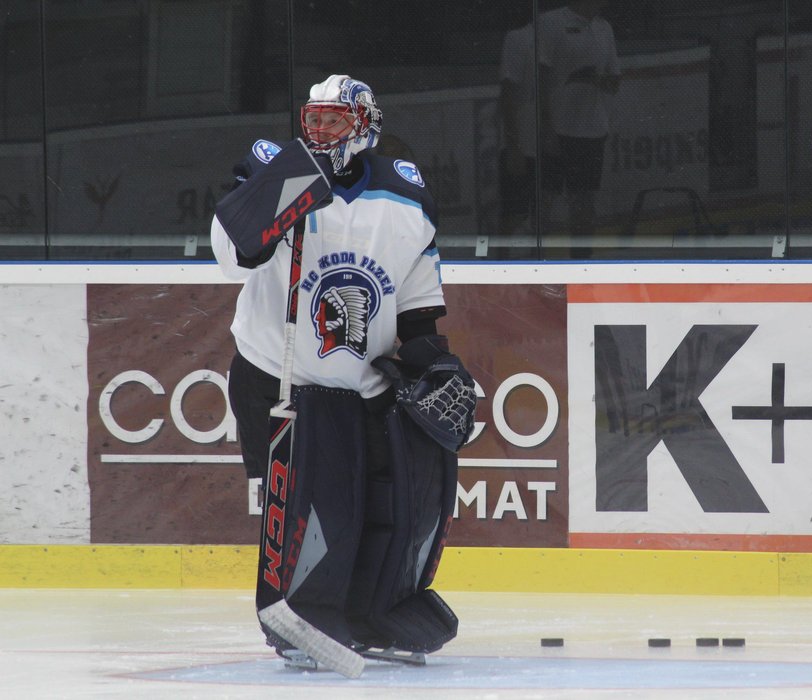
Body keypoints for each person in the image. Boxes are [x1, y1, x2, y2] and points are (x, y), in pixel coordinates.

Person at [211, 74, 473, 671]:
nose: (321, 130)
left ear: (366, 124)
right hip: (278, 380)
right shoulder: (276, 169)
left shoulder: (404, 195)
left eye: (335, 120)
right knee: (315, 504)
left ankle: (371, 614)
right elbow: (235, 255)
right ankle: (301, 619)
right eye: (314, 118)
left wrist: (433, 364)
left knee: (386, 501)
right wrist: (295, 182)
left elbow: (417, 304)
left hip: (364, 385)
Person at [537, 0, 621, 258]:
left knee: (585, 202)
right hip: (558, 128)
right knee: (546, 200)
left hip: (592, 131)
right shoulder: (552, 23)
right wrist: (546, 127)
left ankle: (582, 264)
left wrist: (594, 78)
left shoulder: (604, 28)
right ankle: (534, 263)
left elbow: (614, 81)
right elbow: (540, 77)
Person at [498, 17, 538, 243]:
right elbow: (508, 93)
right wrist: (514, 145)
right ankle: (500, 267)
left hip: (553, 143)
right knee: (515, 212)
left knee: (543, 211)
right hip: (523, 145)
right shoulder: (519, 38)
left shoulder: (554, 34)